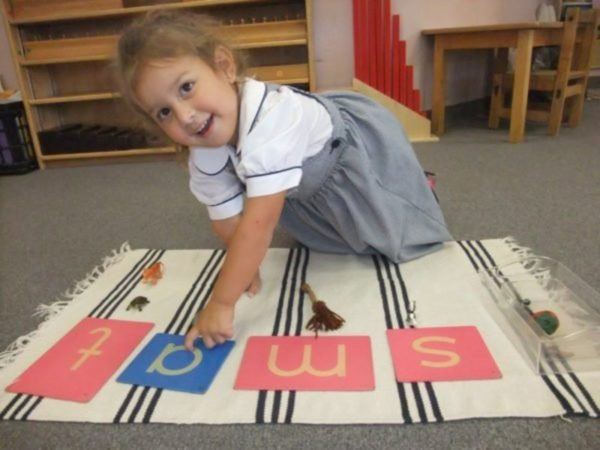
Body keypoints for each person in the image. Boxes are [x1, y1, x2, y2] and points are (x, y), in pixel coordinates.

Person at [116, 10, 452, 350]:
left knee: (397, 233)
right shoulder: (203, 142)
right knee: (336, 244)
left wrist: (221, 302)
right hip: (305, 184)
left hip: (348, 157)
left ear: (224, 67)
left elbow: (258, 228)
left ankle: (411, 186)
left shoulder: (273, 121)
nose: (185, 117)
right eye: (164, 112)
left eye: (187, 88)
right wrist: (244, 268)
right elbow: (227, 219)